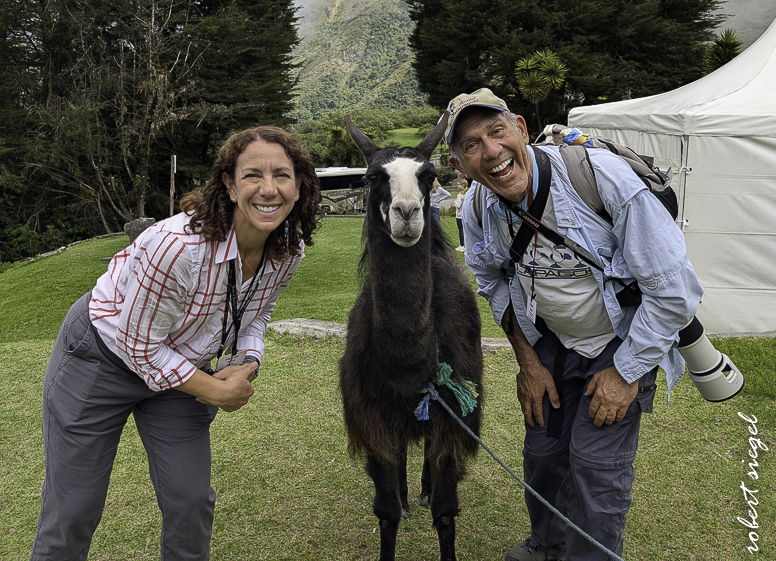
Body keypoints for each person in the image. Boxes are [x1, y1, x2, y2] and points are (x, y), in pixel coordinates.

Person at [30, 126, 322, 561]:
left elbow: (257, 311)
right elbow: (137, 345)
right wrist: (217, 391)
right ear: (229, 185)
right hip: (101, 358)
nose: (268, 189)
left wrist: (248, 360)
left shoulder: (287, 249)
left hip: (180, 367)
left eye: (282, 175)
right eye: (252, 175)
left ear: (298, 188)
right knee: (74, 508)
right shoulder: (178, 247)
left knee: (190, 502)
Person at [444, 89, 703, 561]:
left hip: (621, 340)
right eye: (471, 145)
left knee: (595, 467)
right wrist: (528, 362)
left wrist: (625, 372)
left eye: (497, 131)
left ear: (521, 129)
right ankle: (548, 546)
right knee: (542, 455)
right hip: (549, 342)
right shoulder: (478, 206)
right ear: (459, 165)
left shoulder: (600, 178)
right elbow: (492, 281)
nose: (492, 151)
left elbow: (675, 290)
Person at [453, 178, 469, 251]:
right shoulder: (468, 193)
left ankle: (462, 246)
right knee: (467, 231)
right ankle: (468, 246)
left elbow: (458, 206)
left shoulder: (460, 195)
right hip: (467, 214)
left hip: (460, 215)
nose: (457, 185)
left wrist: (455, 202)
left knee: (461, 230)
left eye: (459, 184)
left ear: (463, 185)